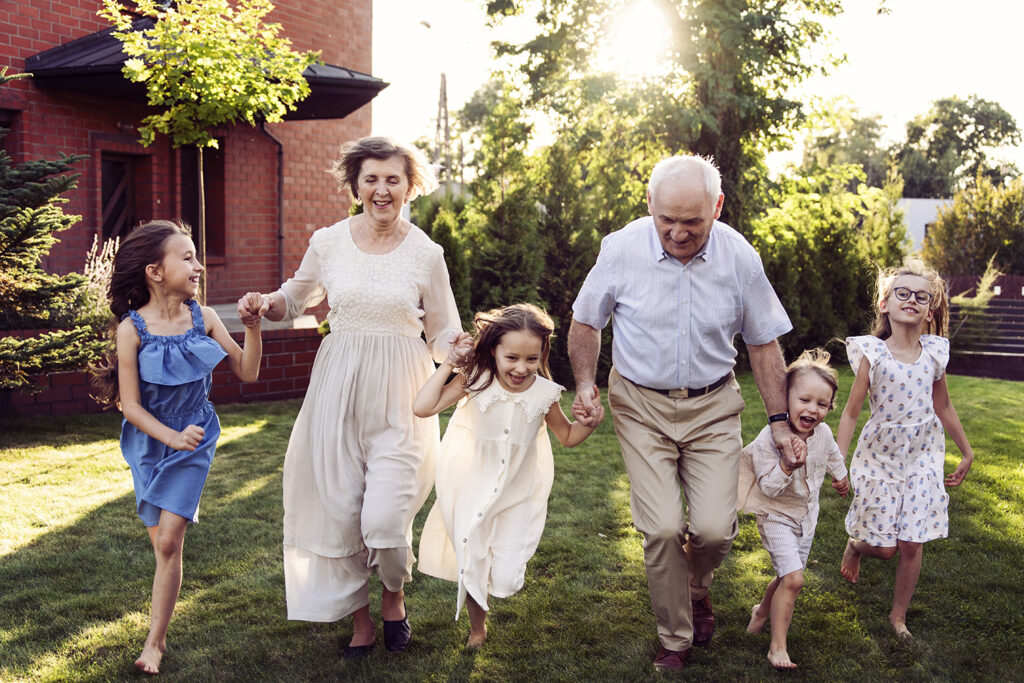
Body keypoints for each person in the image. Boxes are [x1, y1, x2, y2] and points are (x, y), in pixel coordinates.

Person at [568, 154, 798, 671]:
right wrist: (584, 383)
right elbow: (586, 322)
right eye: (666, 219)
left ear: (717, 207)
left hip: (713, 405)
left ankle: (695, 588)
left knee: (715, 529)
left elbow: (763, 343)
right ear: (649, 203)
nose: (677, 233)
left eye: (692, 221)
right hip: (640, 404)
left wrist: (779, 421)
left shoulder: (739, 257)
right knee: (663, 528)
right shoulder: (620, 249)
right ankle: (675, 638)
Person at [237, 137, 462, 657]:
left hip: (402, 393)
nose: (382, 190)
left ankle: (393, 596)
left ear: (409, 186)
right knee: (339, 511)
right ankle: (361, 620)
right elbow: (295, 298)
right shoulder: (329, 241)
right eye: (371, 179)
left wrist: (463, 350)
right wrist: (265, 303)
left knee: (385, 521)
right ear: (355, 186)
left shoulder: (426, 253)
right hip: (337, 389)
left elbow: (442, 330)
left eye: (393, 179)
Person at [90, 220, 263, 674]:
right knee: (162, 548)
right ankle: (159, 630)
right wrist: (168, 438)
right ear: (155, 271)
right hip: (149, 444)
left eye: (197, 256)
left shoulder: (204, 318)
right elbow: (130, 406)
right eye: (187, 258)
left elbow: (247, 372)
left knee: (169, 540)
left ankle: (155, 644)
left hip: (194, 438)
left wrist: (252, 328)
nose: (198, 265)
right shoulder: (131, 330)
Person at [413, 303, 603, 649]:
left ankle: (492, 595)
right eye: (512, 357)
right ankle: (477, 629)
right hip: (471, 489)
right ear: (494, 350)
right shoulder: (476, 381)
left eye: (531, 359)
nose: (521, 367)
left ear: (542, 353)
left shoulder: (545, 393)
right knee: (474, 560)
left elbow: (567, 437)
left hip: (517, 496)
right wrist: (450, 364)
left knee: (504, 570)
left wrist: (588, 424)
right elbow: (423, 407)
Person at [837, 258, 974, 638]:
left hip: (922, 456)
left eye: (921, 296)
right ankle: (856, 546)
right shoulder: (873, 354)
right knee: (885, 549)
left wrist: (966, 451)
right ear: (885, 304)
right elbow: (850, 413)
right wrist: (837, 461)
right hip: (880, 456)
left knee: (912, 542)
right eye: (902, 293)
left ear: (930, 311)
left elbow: (944, 406)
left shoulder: (934, 354)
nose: (911, 299)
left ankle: (898, 616)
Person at [738, 349, 849, 669]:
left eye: (822, 404)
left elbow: (832, 454)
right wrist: (786, 466)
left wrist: (841, 476)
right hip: (776, 516)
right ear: (784, 398)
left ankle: (761, 611)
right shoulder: (769, 439)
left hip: (806, 517)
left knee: (787, 576)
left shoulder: (822, 433)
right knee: (795, 579)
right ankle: (777, 648)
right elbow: (768, 488)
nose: (813, 409)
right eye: (804, 400)